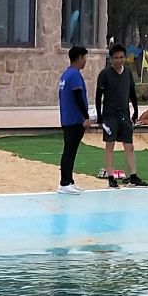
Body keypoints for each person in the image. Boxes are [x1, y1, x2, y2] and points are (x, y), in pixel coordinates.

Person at [95, 43, 143, 188]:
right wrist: (99, 116)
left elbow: (132, 93)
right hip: (110, 114)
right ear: (111, 58)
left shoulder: (128, 73)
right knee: (110, 145)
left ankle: (133, 175)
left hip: (124, 113)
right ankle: (111, 176)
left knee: (129, 145)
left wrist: (135, 110)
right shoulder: (105, 74)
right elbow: (98, 96)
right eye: (116, 58)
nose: (119, 60)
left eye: (122, 57)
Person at [56, 43, 90, 191]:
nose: (85, 61)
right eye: (84, 58)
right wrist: (86, 116)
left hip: (67, 118)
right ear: (78, 58)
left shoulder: (66, 74)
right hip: (74, 119)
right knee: (70, 150)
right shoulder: (74, 75)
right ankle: (64, 183)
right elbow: (78, 97)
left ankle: (69, 180)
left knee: (71, 150)